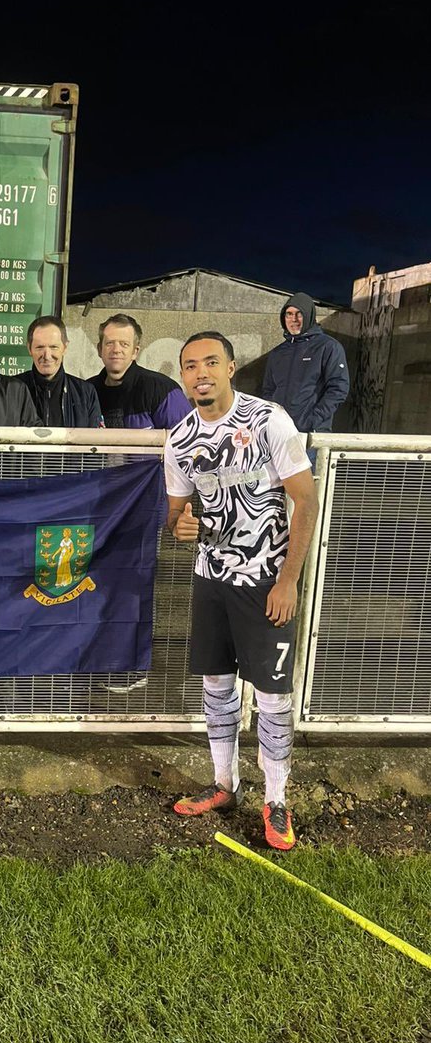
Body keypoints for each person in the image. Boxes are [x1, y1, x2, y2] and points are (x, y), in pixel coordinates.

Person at [164, 331, 318, 850]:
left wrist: (289, 580)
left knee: (273, 695)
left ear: (231, 368)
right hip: (212, 580)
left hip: (267, 582)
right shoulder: (180, 439)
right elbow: (177, 518)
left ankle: (276, 799)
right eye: (189, 365)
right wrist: (183, 527)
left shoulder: (268, 420)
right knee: (215, 685)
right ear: (182, 376)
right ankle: (223, 785)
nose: (200, 372)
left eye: (211, 362)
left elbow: (306, 500)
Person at [262, 292, 350, 447]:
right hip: (279, 435)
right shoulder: (278, 353)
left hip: (311, 436)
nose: (293, 320)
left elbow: (338, 389)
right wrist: (271, 421)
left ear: (309, 315)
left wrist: (312, 419)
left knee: (311, 472)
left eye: (299, 314)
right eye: (289, 314)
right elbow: (268, 390)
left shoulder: (328, 347)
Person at [91, 313, 190, 430]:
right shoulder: (86, 392)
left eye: (124, 344)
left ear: (135, 352)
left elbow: (188, 440)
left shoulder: (161, 390)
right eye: (109, 343)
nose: (116, 350)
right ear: (99, 349)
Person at [14, 315, 102, 428]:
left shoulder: (85, 393)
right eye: (39, 347)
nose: (47, 355)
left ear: (65, 347)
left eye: (54, 347)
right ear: (29, 348)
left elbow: (93, 442)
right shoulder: (12, 390)